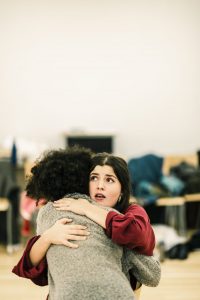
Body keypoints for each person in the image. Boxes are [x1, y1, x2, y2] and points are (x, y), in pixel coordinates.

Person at [13, 148, 159, 298]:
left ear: (122, 190)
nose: (99, 185)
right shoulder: (66, 209)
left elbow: (136, 234)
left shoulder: (132, 210)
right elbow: (31, 265)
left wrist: (88, 208)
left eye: (109, 180)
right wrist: (47, 237)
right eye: (94, 178)